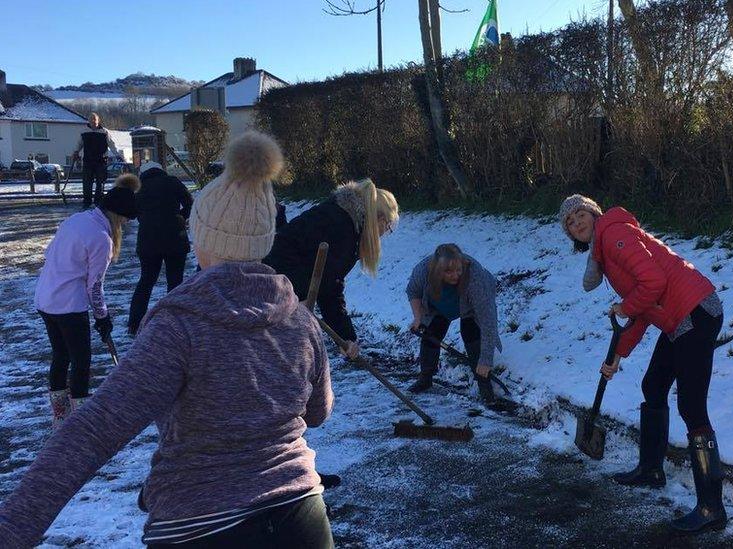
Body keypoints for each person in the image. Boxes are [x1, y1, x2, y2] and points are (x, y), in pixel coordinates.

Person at [0, 131, 335, 548]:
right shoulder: (301, 319)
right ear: (265, 239)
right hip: (302, 518)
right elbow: (318, 412)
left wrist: (12, 530)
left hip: (200, 526)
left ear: (202, 237)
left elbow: (97, 428)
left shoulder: (180, 326)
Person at [558, 194, 727, 534]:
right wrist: (618, 355)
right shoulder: (606, 249)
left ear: (594, 213)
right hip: (678, 317)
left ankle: (712, 508)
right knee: (653, 385)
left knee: (692, 408)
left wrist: (623, 307)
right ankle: (651, 470)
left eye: (580, 215)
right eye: (570, 225)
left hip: (694, 311)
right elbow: (645, 307)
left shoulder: (613, 234)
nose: (577, 224)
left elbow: (653, 284)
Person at [34, 174, 140, 427]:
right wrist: (103, 317)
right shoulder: (101, 238)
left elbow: (50, 253)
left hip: (45, 298)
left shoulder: (76, 219)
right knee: (81, 361)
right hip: (69, 305)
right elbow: (95, 286)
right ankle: (78, 420)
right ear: (117, 215)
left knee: (61, 355)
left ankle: (61, 417)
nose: (124, 226)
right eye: (124, 220)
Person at [264, 178, 399, 360]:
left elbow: (331, 285)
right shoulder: (342, 227)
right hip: (270, 292)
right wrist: (297, 296)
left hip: (282, 294)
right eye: (388, 226)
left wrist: (346, 337)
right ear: (379, 219)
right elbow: (284, 250)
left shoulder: (346, 222)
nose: (385, 232)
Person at [405, 244, 502, 401]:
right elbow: (413, 291)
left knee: (471, 333)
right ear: (436, 269)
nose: (455, 275)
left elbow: (487, 321)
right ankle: (425, 378)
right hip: (440, 304)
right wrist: (418, 317)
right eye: (448, 271)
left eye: (458, 270)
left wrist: (486, 360)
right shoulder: (423, 270)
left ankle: (484, 385)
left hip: (469, 305)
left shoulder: (475, 277)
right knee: (431, 333)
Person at [127, 161, 193, 335]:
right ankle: (174, 321)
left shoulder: (139, 187)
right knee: (175, 281)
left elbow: (133, 212)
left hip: (148, 240)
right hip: (175, 237)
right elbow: (189, 202)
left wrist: (146, 219)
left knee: (146, 281)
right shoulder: (172, 181)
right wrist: (181, 217)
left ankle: (134, 323)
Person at [72, 113, 123, 209]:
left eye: (95, 119)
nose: (93, 121)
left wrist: (117, 155)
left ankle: (98, 202)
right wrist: (76, 152)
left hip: (101, 161)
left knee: (100, 183)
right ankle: (87, 202)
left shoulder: (104, 132)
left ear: (98, 120)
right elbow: (79, 144)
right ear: (89, 121)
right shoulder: (84, 132)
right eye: (91, 119)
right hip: (88, 161)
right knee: (87, 183)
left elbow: (111, 145)